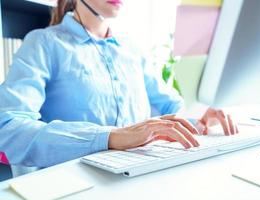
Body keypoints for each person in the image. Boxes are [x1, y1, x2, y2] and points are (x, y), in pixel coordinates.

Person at [0, 0, 238, 171]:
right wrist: (110, 137)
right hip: (78, 180)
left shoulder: (130, 49)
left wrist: (200, 116)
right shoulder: (43, 43)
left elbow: (169, 104)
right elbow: (8, 129)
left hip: (140, 171)